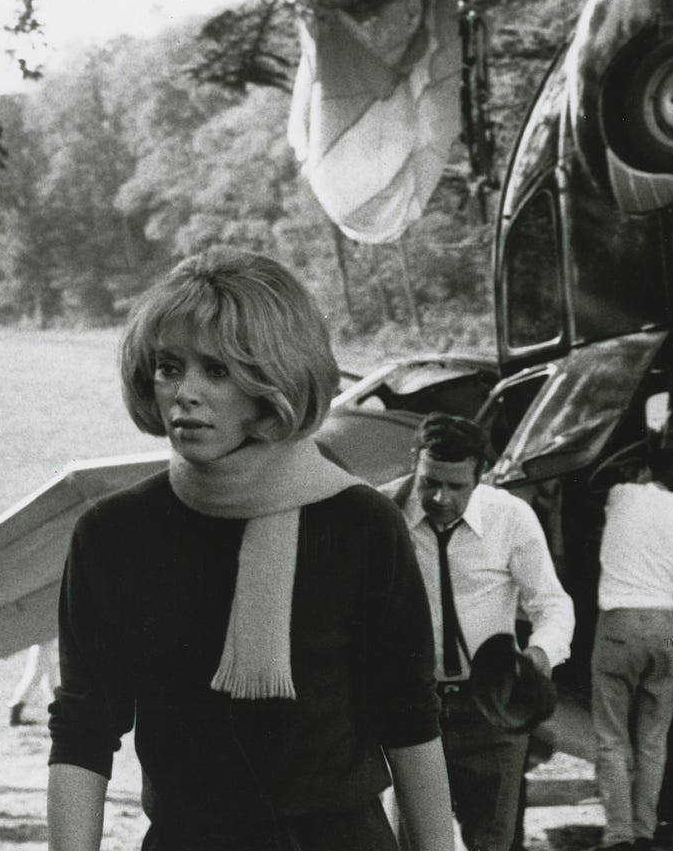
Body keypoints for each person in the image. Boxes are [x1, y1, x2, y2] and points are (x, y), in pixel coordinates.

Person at [47, 247, 455, 851]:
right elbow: (84, 729)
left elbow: (409, 719)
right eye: (168, 367)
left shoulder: (362, 524)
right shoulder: (114, 533)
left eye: (217, 371)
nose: (184, 393)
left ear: (274, 382)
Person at [389, 412, 575, 851]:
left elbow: (552, 604)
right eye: (430, 482)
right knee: (413, 843)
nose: (441, 498)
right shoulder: (384, 514)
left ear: (480, 475)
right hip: (414, 710)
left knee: (494, 841)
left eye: (457, 486)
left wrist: (538, 657)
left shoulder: (510, 517)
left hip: (492, 709)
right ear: (415, 462)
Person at [591, 450, 673, 851]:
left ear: (644, 471)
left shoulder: (619, 494)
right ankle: (644, 831)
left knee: (612, 737)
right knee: (654, 737)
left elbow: (600, 473)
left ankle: (619, 836)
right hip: (665, 632)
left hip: (618, 629)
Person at [9, 641, 57, 726]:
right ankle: (16, 707)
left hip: (45, 638)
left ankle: (58, 711)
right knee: (36, 672)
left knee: (48, 674)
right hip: (42, 637)